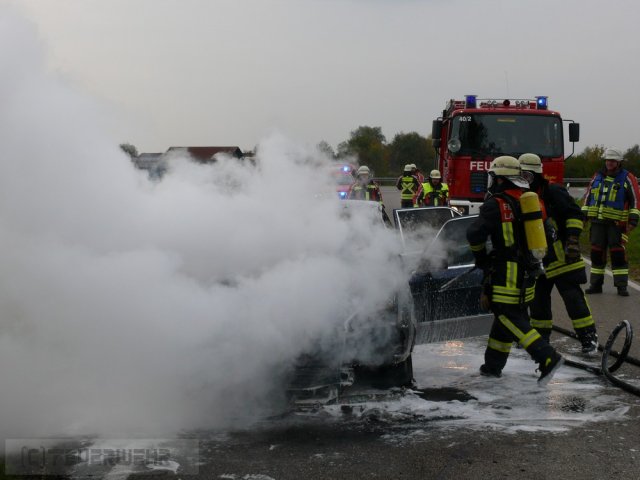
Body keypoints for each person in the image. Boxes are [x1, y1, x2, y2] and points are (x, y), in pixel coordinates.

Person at [467, 155, 563, 383]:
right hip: (529, 271)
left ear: (500, 179)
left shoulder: (495, 204)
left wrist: (481, 258)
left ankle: (547, 356)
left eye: (494, 177)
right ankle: (492, 367)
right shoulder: (531, 200)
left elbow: (474, 234)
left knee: (506, 315)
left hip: (507, 272)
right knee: (505, 321)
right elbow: (548, 232)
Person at [519, 153, 598, 354]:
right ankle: (541, 341)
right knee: (538, 303)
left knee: (573, 298)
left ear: (537, 175)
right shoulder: (521, 197)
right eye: (521, 176)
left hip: (563, 256)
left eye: (527, 176)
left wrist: (572, 239)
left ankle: (588, 338)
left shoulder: (554, 192)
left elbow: (574, 214)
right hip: (538, 259)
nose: (524, 181)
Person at [582, 147, 640, 296]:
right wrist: (584, 216)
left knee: (617, 254)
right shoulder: (597, 176)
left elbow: (635, 200)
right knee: (596, 253)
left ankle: (621, 286)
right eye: (608, 160)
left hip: (617, 224)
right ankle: (595, 285)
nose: (609, 163)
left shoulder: (627, 177)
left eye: (613, 160)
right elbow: (588, 196)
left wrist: (633, 220)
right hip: (597, 222)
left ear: (619, 162)